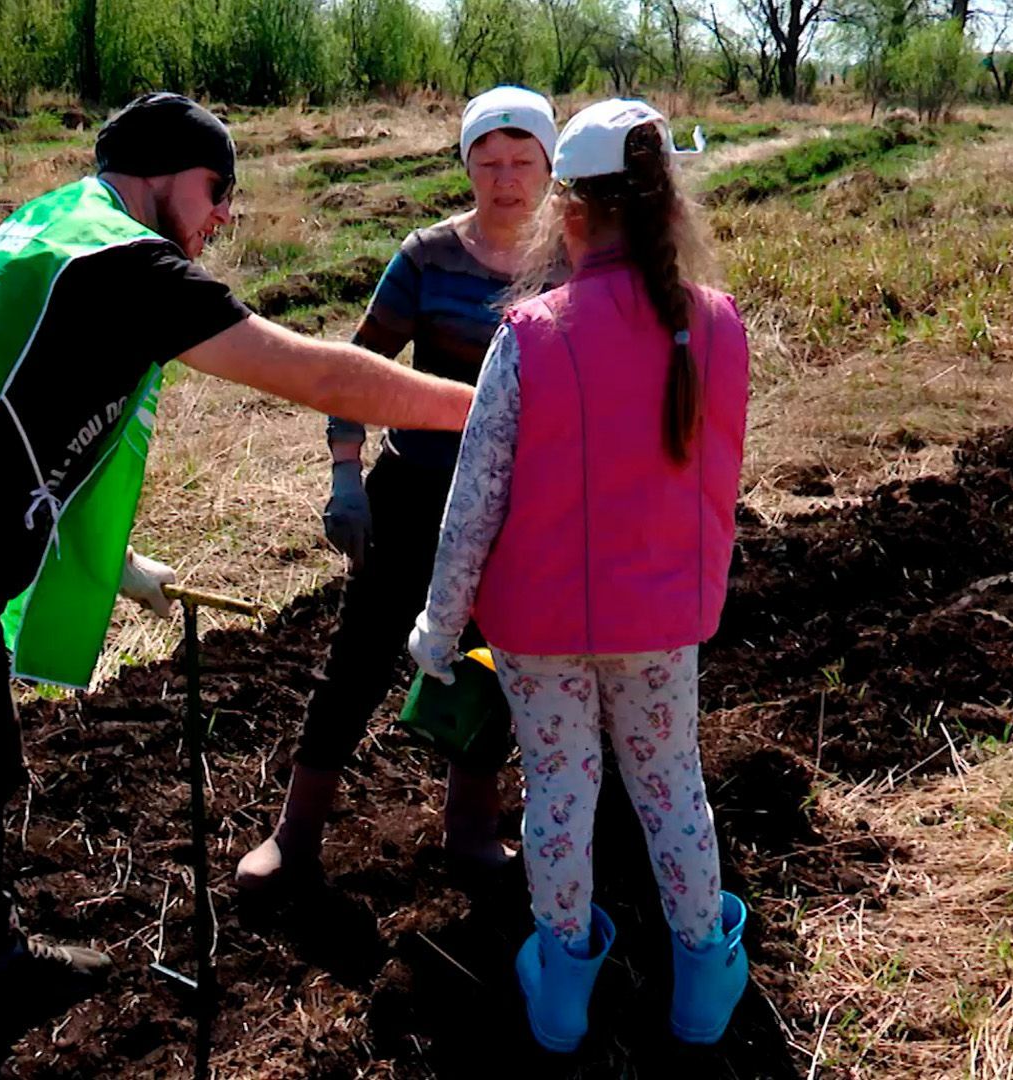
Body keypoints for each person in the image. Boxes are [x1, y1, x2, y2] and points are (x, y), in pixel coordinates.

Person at [0, 92, 482, 1076]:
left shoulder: (54, 227)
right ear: (161, 174)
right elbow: (322, 378)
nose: (223, 219)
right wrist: (497, 405)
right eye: (217, 191)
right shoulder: (122, 259)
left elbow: (12, 411)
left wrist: (115, 566)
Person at [409, 98, 752, 1053]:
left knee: (559, 792)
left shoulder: (528, 335)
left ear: (568, 212)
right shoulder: (719, 328)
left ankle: (561, 997)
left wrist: (439, 631)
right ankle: (702, 987)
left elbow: (472, 504)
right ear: (668, 207)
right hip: (662, 621)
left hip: (538, 627)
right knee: (672, 786)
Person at [235, 86, 561, 891]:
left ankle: (471, 832)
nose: (506, 179)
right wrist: (346, 477)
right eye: (488, 162)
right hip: (415, 488)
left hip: (523, 504)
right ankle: (296, 834)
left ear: (551, 168)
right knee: (360, 652)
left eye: (523, 162)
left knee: (493, 657)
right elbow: (359, 371)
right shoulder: (426, 258)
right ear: (467, 167)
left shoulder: (571, 267)